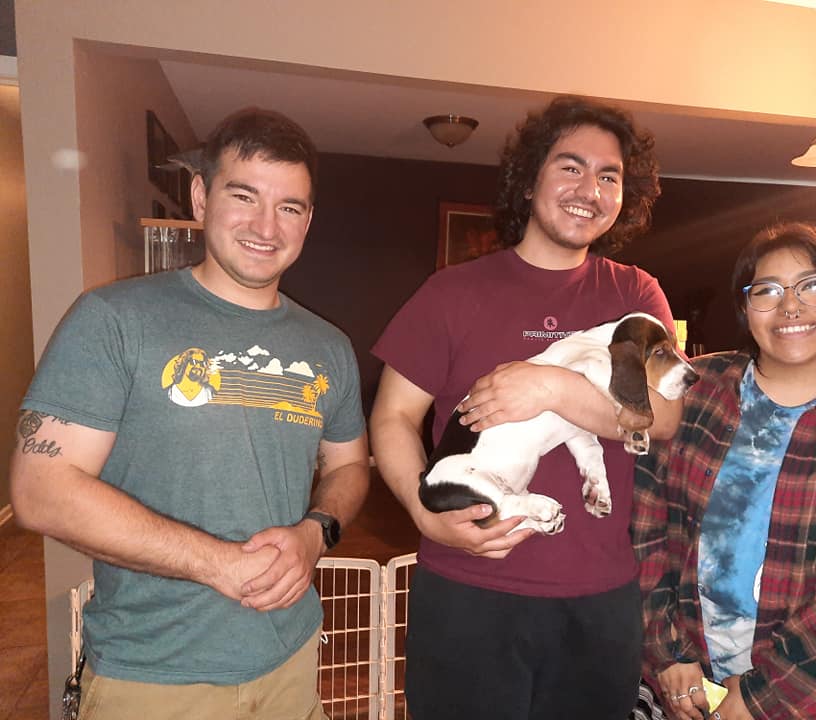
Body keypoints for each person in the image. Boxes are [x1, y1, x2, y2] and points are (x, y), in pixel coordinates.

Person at [10, 108, 369, 720]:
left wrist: (316, 533)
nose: (266, 226)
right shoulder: (113, 319)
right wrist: (219, 564)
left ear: (308, 219)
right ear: (201, 198)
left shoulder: (328, 345)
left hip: (290, 657)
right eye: (244, 195)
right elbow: (40, 491)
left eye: (290, 207)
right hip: (154, 674)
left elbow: (350, 465)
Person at [369, 95, 682, 720]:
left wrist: (553, 388)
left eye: (609, 175)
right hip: (467, 588)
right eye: (570, 167)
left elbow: (664, 418)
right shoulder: (452, 292)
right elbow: (392, 418)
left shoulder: (635, 292)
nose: (589, 189)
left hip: (597, 596)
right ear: (531, 176)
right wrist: (424, 517)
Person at [632, 223, 816, 720]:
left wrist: (758, 698)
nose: (791, 306)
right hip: (682, 686)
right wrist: (667, 654)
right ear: (746, 310)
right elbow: (643, 529)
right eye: (767, 290)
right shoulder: (693, 392)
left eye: (813, 285)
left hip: (806, 698)